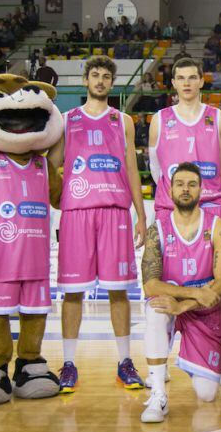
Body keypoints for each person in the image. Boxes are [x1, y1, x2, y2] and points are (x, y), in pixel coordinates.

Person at [47, 56, 147, 393]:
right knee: (73, 293)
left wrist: (141, 214)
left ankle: (124, 362)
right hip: (77, 213)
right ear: (86, 80)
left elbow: (132, 169)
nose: (101, 81)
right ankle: (69, 364)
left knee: (119, 290)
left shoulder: (123, 121)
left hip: (115, 213)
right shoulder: (66, 120)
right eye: (95, 75)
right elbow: (53, 163)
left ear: (112, 83)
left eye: (106, 76)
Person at [147, 58, 221, 385]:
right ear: (173, 83)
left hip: (211, 206)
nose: (186, 83)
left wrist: (205, 193)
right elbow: (158, 171)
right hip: (170, 210)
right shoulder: (160, 120)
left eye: (192, 77)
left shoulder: (219, 118)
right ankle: (161, 360)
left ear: (202, 81)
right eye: (180, 78)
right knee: (166, 283)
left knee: (216, 284)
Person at [139, 163, 221, 422]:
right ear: (170, 190)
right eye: (180, 184)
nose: (185, 189)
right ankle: (158, 394)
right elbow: (150, 285)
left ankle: (199, 359)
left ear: (201, 190)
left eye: (192, 184)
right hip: (174, 301)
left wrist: (184, 305)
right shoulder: (157, 229)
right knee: (156, 308)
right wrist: (190, 294)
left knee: (206, 394)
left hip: (203, 310)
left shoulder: (218, 226)